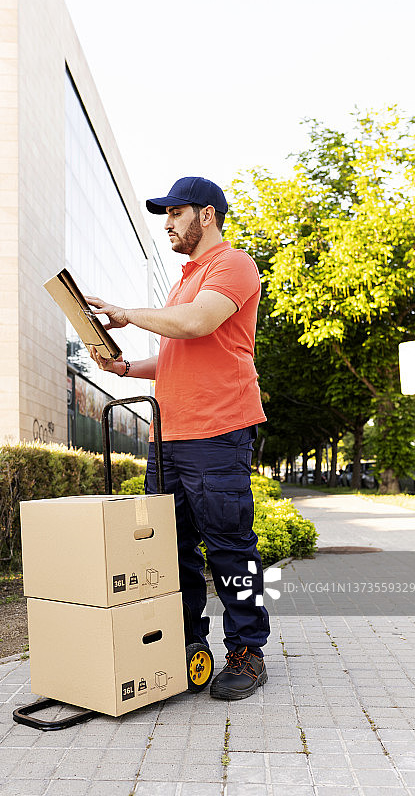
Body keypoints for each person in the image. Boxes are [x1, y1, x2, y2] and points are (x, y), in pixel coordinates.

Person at [88, 176, 270, 700]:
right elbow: (175, 354)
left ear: (206, 215)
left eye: (175, 213)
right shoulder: (183, 280)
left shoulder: (233, 265)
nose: (167, 223)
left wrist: (126, 314)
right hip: (167, 437)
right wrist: (125, 367)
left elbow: (195, 324)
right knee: (172, 550)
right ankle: (189, 645)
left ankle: (248, 652)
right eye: (165, 215)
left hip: (217, 433)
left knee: (230, 547)